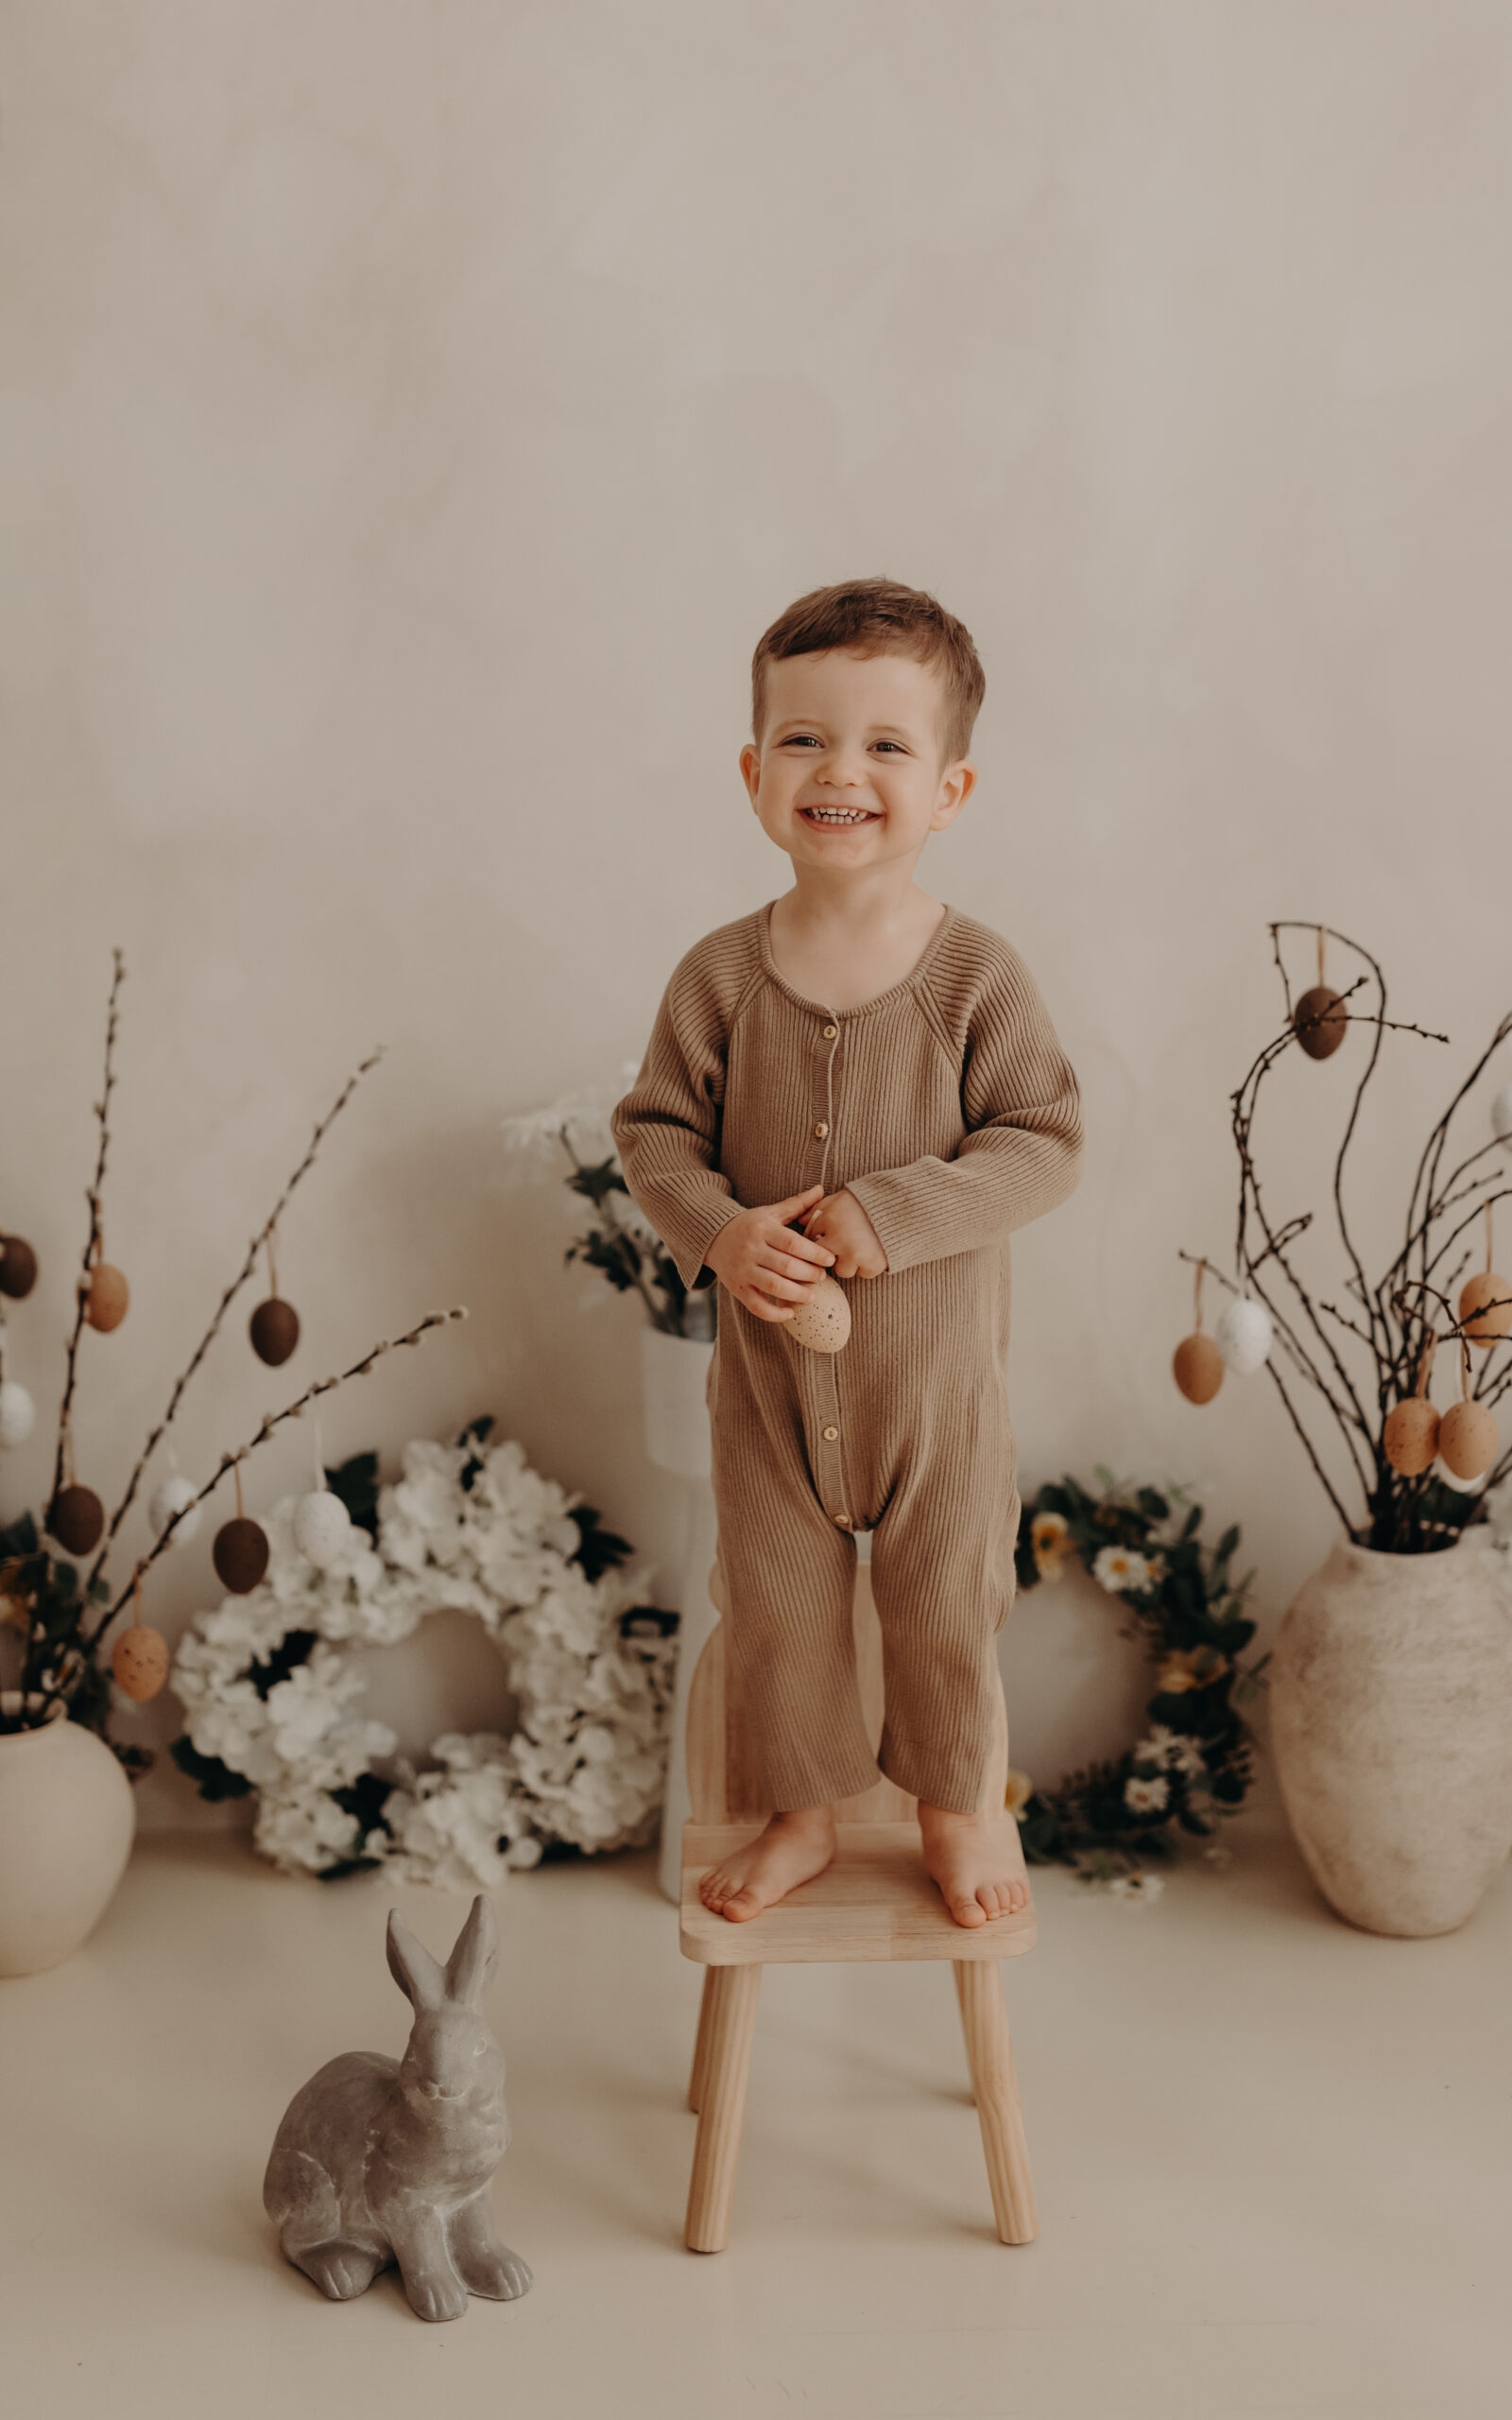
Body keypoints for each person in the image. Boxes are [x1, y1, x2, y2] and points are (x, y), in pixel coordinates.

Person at [611, 579, 1083, 1927]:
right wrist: (723, 1232)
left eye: (886, 745)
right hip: (770, 1392)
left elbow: (1044, 1141)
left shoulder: (976, 977)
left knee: (945, 1606)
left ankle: (956, 1810)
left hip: (937, 1396)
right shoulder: (719, 978)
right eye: (805, 739)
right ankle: (802, 1817)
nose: (841, 772)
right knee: (776, 1608)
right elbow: (653, 1135)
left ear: (950, 789)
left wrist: (898, 1212)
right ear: (755, 773)